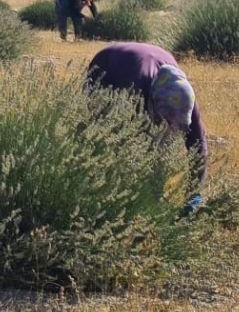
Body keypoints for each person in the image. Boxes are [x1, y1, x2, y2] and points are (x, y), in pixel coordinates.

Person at [85, 41, 208, 208]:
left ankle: (151, 201)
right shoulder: (131, 91)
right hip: (108, 66)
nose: (166, 126)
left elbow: (198, 144)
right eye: (163, 120)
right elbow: (123, 141)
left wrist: (194, 193)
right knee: (95, 136)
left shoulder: (183, 97)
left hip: (155, 60)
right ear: (152, 102)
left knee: (160, 148)